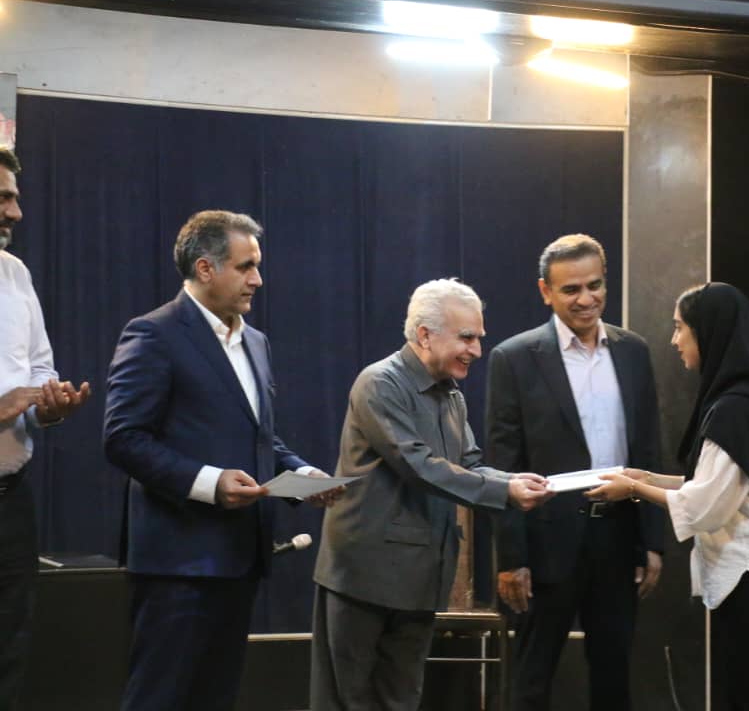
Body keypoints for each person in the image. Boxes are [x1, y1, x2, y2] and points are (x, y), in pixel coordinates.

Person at [104, 210, 339, 711]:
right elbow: (123, 439)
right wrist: (209, 483)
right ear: (205, 268)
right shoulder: (153, 334)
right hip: (177, 563)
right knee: (160, 698)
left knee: (215, 697)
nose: (258, 279)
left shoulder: (256, 341)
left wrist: (302, 476)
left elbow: (259, 438)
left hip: (239, 558)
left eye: (257, 265)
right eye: (246, 266)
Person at [311, 278, 552, 711]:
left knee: (401, 700)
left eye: (478, 338)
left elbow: (471, 464)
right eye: (467, 337)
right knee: (348, 701)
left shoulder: (451, 396)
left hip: (419, 579)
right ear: (424, 335)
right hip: (364, 577)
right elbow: (418, 465)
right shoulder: (380, 383)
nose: (477, 350)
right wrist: (504, 491)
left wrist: (518, 481)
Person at [586, 282, 749, 711]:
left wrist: (633, 489)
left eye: (681, 328)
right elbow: (715, 484)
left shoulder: (737, 409)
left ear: (708, 332)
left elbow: (703, 506)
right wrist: (647, 477)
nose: (674, 340)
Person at [485, 234, 665, 711]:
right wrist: (511, 557)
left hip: (619, 539)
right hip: (545, 547)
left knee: (614, 678)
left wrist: (652, 540)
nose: (586, 299)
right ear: (545, 291)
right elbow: (504, 467)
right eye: (571, 289)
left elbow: (649, 448)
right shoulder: (514, 358)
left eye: (595, 285)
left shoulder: (633, 351)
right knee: (531, 681)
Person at [0, 147, 91, 710]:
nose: (15, 212)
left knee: (9, 650)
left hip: (10, 501)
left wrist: (46, 406)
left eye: (14, 197)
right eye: (3, 198)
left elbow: (38, 369)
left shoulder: (15, 274)